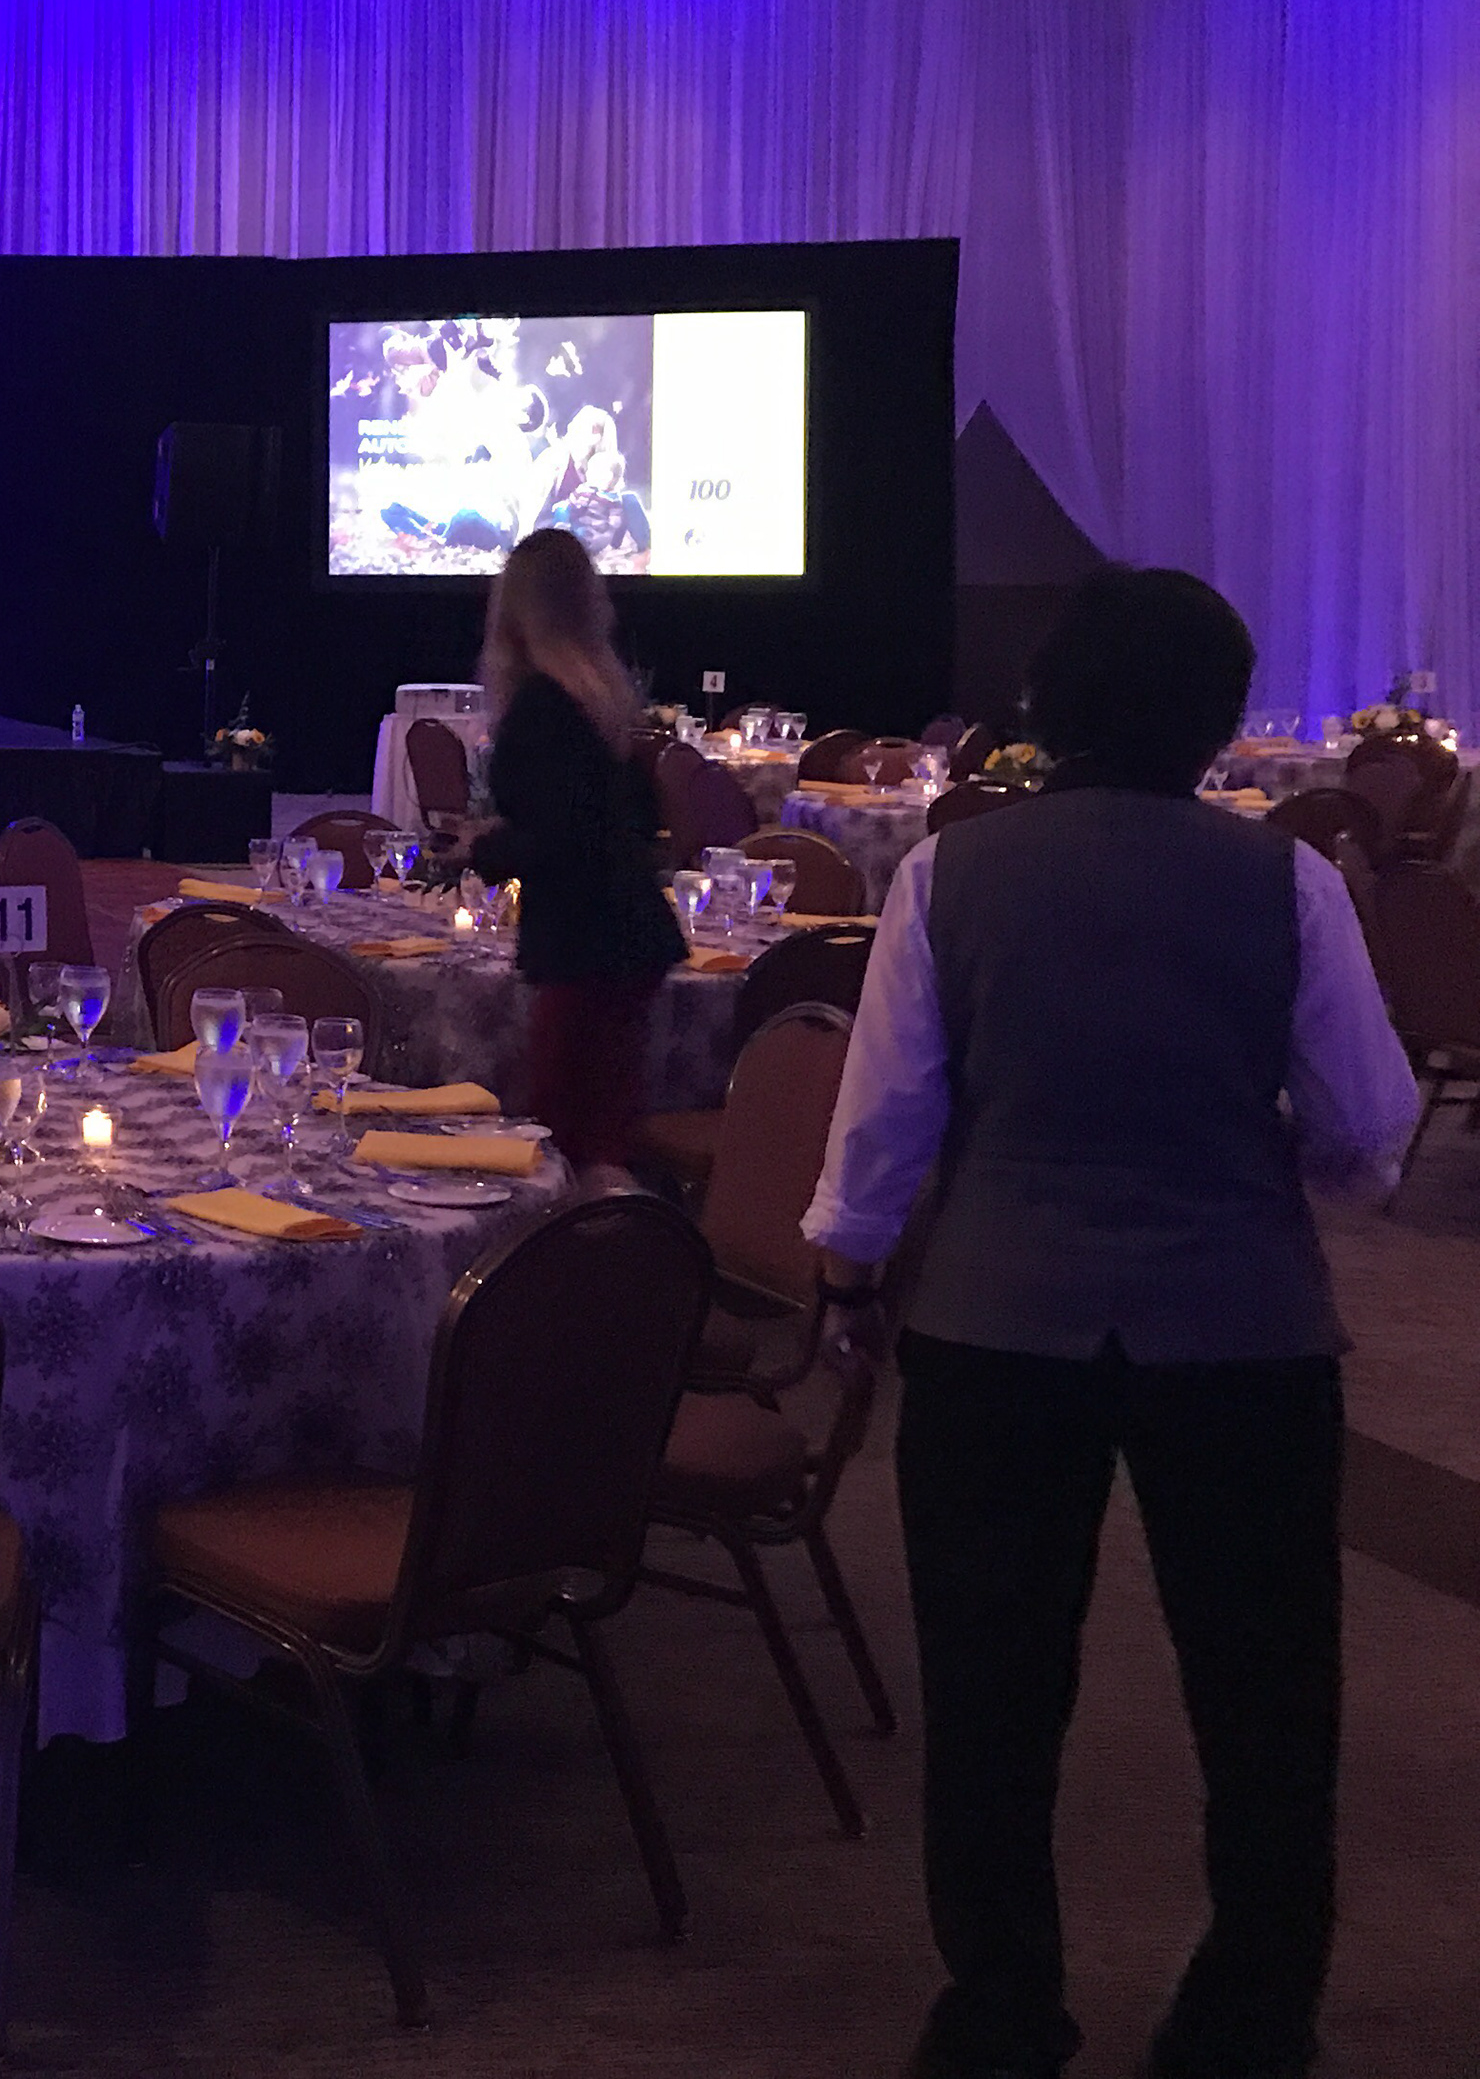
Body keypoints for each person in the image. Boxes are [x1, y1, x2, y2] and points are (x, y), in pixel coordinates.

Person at [805, 566, 1411, 2079]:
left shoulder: (948, 874)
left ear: (1045, 703)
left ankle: (1003, 2008)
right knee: (1267, 1699)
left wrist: (848, 1280)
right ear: (1219, 719)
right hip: (1243, 1327)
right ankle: (1251, 2014)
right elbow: (1370, 1133)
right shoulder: (1291, 883)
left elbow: (883, 1127)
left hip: (997, 1322)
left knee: (992, 1696)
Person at [466, 526, 682, 1185]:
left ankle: (594, 1246)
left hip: (583, 942)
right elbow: (630, 821)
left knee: (563, 1140)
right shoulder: (601, 700)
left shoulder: (540, 706)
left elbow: (562, 841)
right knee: (604, 1130)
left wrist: (483, 849)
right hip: (630, 937)